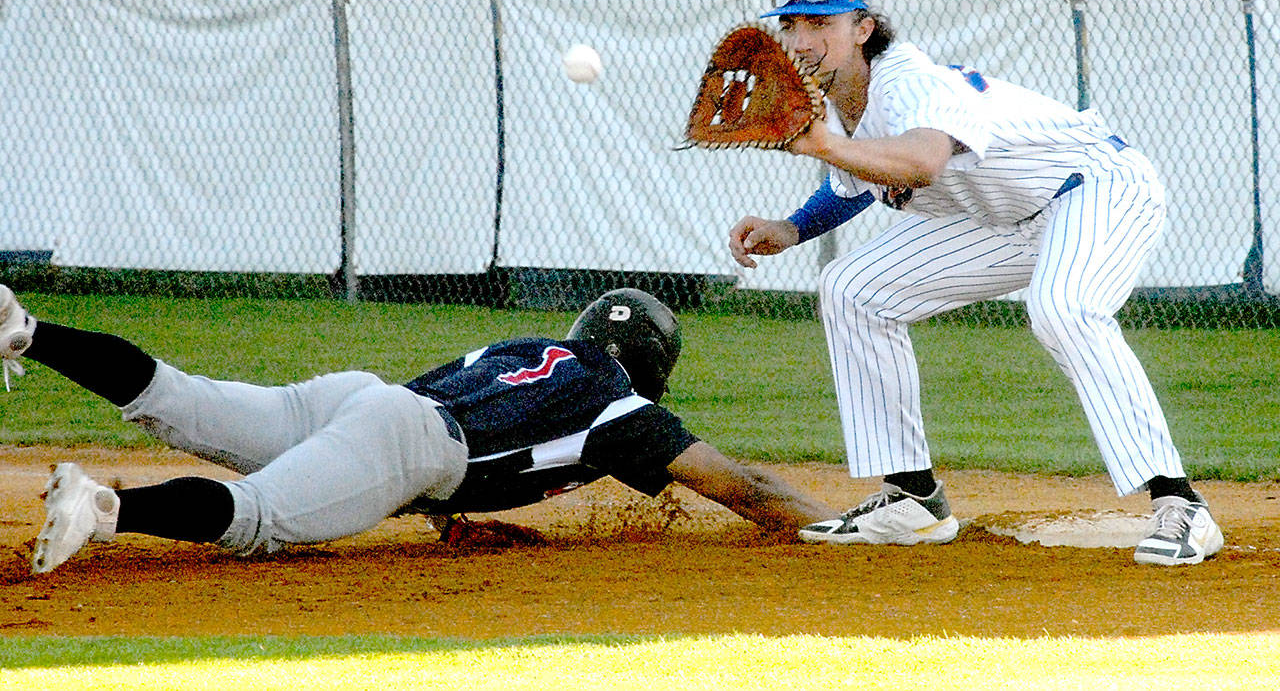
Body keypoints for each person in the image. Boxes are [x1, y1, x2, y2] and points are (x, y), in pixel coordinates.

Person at [726, 0, 1224, 566]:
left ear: (863, 28)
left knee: (1064, 310)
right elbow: (851, 183)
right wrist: (792, 227)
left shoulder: (910, 81)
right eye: (793, 24)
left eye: (822, 22)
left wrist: (825, 144)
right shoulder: (829, 104)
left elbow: (923, 160)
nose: (804, 38)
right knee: (853, 286)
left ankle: (1181, 506)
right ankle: (911, 498)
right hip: (1006, 219)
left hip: (1096, 187)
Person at [0, 284, 838, 574]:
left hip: (357, 401)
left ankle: (27, 332)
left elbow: (447, 418)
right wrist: (836, 530)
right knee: (257, 519)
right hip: (403, 441)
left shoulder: (529, 349)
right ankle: (105, 511)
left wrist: (452, 520)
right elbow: (746, 487)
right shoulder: (623, 410)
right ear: (654, 366)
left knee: (180, 398)